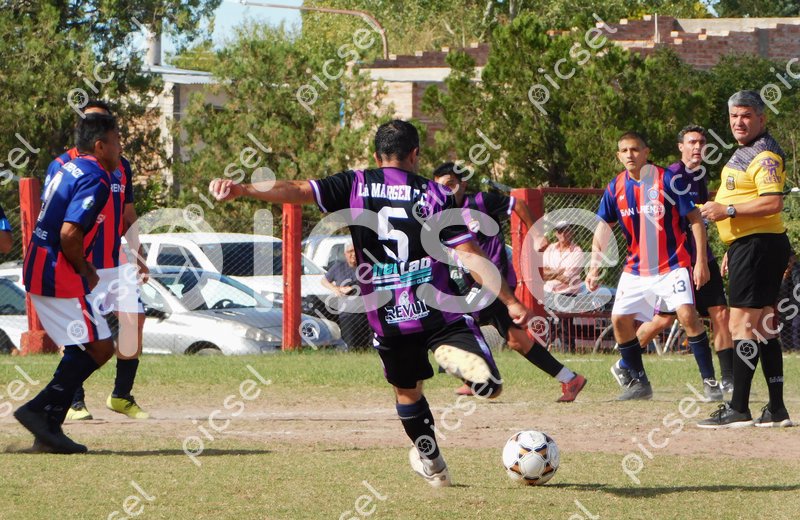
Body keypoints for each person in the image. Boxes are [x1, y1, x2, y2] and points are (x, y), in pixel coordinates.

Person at [210, 120, 535, 487]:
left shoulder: (355, 184)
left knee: (407, 393)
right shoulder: (435, 194)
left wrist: (242, 189)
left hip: (388, 316)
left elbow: (296, 189)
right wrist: (509, 300)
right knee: (491, 385)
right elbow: (470, 254)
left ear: (377, 157)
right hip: (438, 309)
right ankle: (462, 364)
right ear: (415, 154)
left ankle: (433, 462)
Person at [433, 164, 586, 402]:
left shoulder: (480, 202)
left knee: (460, 319)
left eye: (451, 185)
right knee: (517, 340)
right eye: (440, 187)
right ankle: (570, 378)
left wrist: (537, 235)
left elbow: (519, 204)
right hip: (474, 281)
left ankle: (479, 377)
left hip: (495, 279)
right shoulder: (442, 214)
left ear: (463, 184)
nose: (446, 191)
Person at [14, 114, 121, 453]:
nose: (120, 148)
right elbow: (69, 233)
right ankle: (38, 411)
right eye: (117, 141)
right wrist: (85, 268)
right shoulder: (97, 178)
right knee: (102, 347)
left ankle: (47, 429)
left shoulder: (69, 167)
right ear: (100, 146)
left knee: (80, 347)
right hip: (58, 272)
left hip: (39, 265)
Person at [586, 131, 713, 401]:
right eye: (624, 151)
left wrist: (700, 262)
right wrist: (594, 265)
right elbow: (603, 227)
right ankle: (638, 382)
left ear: (646, 152)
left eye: (635, 149)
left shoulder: (667, 179)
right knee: (620, 320)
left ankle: (710, 382)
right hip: (636, 268)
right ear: (618, 156)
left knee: (687, 316)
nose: (630, 155)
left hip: (673, 264)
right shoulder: (615, 187)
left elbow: (696, 220)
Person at [45, 100, 149, 421]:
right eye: (93, 120)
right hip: (79, 264)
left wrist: (138, 253)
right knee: (79, 331)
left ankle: (121, 395)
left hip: (114, 264)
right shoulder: (62, 165)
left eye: (105, 121)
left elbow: (128, 214)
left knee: (135, 320)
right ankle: (74, 400)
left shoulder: (121, 165)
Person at [610, 126, 731, 400]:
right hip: (664, 262)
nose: (698, 147)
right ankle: (629, 367)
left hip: (690, 258)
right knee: (660, 319)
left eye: (702, 142)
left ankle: (723, 380)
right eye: (692, 142)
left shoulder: (695, 175)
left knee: (714, 313)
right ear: (680, 147)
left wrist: (704, 257)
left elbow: (696, 219)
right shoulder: (668, 176)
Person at [698, 90, 793, 428]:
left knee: (741, 326)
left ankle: (738, 408)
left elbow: (772, 202)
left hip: (757, 247)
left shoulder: (764, 154)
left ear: (761, 119)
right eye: (734, 116)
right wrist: (732, 245)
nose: (739, 122)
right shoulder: (748, 150)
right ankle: (776, 409)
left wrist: (727, 210)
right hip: (752, 246)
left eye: (747, 115)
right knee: (765, 326)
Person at [320, 239, 372, 350]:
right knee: (351, 346)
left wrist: (352, 288)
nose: (353, 254)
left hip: (366, 312)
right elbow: (324, 280)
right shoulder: (338, 267)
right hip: (347, 313)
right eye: (350, 251)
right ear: (345, 254)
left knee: (368, 346)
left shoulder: (365, 267)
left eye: (355, 251)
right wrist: (336, 289)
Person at [542, 220, 584, 352]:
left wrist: (551, 273)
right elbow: (542, 273)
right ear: (556, 233)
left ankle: (568, 350)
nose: (563, 234)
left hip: (567, 292)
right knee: (548, 323)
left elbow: (568, 278)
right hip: (549, 291)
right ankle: (545, 349)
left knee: (565, 324)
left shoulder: (577, 251)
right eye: (560, 231)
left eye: (566, 230)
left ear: (571, 232)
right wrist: (559, 272)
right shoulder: (550, 249)